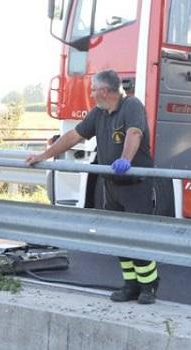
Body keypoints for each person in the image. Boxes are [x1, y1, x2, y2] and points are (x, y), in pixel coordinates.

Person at [25, 69, 160, 304]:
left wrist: (126, 159)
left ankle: (149, 285)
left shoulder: (131, 105)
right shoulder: (99, 113)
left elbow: (135, 133)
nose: (91, 93)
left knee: (137, 237)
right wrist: (45, 155)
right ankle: (131, 284)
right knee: (118, 238)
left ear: (105, 91)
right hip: (113, 185)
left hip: (135, 186)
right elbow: (73, 136)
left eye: (94, 89)